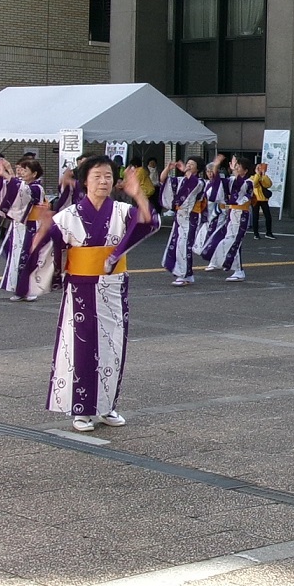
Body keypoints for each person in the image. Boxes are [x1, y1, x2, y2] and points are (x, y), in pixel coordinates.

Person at [27, 156, 158, 433]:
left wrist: (139, 195)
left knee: (113, 348)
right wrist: (42, 227)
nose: (103, 181)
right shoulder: (69, 215)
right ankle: (82, 408)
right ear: (85, 181)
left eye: (108, 176)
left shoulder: (122, 210)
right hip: (81, 290)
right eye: (97, 176)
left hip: (112, 287)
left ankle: (107, 405)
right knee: (81, 348)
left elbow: (147, 221)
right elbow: (43, 246)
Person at [0, 154, 45, 299]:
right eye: (20, 169)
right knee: (16, 257)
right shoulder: (25, 185)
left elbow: (21, 191)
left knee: (28, 256)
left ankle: (30, 290)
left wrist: (7, 173)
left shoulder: (36, 187)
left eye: (25, 170)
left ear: (34, 173)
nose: (21, 172)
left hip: (32, 226)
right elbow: (14, 189)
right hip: (19, 225)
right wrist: (7, 174)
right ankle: (18, 289)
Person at [205, 155, 255, 280]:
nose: (236, 168)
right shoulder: (233, 179)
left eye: (238, 167)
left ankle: (238, 270)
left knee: (234, 242)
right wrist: (216, 166)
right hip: (232, 213)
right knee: (232, 241)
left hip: (241, 214)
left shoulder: (249, 182)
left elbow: (240, 189)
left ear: (246, 170)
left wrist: (234, 172)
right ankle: (236, 269)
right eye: (235, 166)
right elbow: (220, 184)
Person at [159, 157, 207, 286]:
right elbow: (163, 180)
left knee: (183, 245)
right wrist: (168, 169)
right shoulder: (181, 181)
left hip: (191, 217)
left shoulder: (200, 182)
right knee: (178, 244)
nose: (189, 165)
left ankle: (183, 275)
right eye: (188, 163)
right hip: (180, 216)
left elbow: (193, 184)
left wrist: (186, 172)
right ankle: (188, 274)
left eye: (192, 164)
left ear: (198, 169)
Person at [252, 160, 276, 239]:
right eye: (258, 168)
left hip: (264, 199)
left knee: (268, 216)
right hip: (256, 199)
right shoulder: (252, 177)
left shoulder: (264, 177)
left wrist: (264, 175)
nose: (259, 169)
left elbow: (268, 184)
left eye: (260, 167)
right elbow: (254, 184)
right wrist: (257, 175)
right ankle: (256, 233)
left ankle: (268, 232)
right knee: (255, 217)